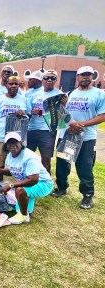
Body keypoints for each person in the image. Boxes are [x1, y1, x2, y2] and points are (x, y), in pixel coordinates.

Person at [52, 66, 105, 209]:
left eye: (89, 75)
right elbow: (63, 114)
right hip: (67, 135)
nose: (85, 77)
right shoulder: (70, 94)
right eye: (83, 75)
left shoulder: (99, 94)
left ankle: (87, 195)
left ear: (92, 77)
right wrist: (68, 120)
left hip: (86, 138)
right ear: (78, 77)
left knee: (84, 167)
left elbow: (102, 116)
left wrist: (81, 124)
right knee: (63, 163)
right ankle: (62, 187)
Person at [0, 132, 53, 224]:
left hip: (44, 184)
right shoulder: (10, 155)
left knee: (19, 190)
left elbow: (33, 180)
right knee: (20, 194)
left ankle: (24, 216)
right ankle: (26, 208)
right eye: (9, 143)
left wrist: (11, 185)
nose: (13, 145)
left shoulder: (29, 157)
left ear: (21, 143)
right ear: (6, 145)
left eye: (15, 142)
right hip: (30, 182)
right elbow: (11, 171)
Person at [0, 76, 27, 180]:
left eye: (16, 84)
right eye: (11, 84)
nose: (13, 86)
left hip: (17, 139)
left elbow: (28, 117)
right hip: (0, 138)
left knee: (15, 165)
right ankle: (1, 184)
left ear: (19, 85)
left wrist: (23, 113)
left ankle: (16, 185)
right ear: (6, 85)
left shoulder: (23, 100)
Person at [26, 70, 63, 174]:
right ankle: (28, 178)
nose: (49, 80)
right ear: (42, 80)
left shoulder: (59, 95)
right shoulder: (34, 94)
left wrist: (42, 112)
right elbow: (28, 111)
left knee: (46, 158)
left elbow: (62, 114)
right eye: (46, 78)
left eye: (52, 78)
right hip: (32, 129)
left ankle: (46, 181)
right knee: (28, 156)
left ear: (56, 80)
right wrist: (32, 111)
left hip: (48, 130)